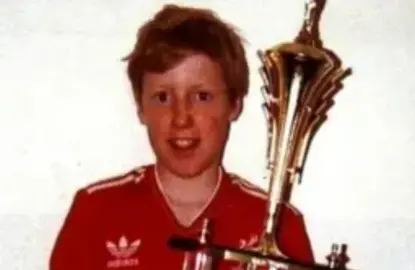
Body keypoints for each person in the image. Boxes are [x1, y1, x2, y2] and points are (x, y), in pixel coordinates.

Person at [49, 4, 314, 269]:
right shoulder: (95, 213)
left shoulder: (281, 227)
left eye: (202, 97)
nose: (181, 118)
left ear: (234, 105)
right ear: (141, 108)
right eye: (162, 97)